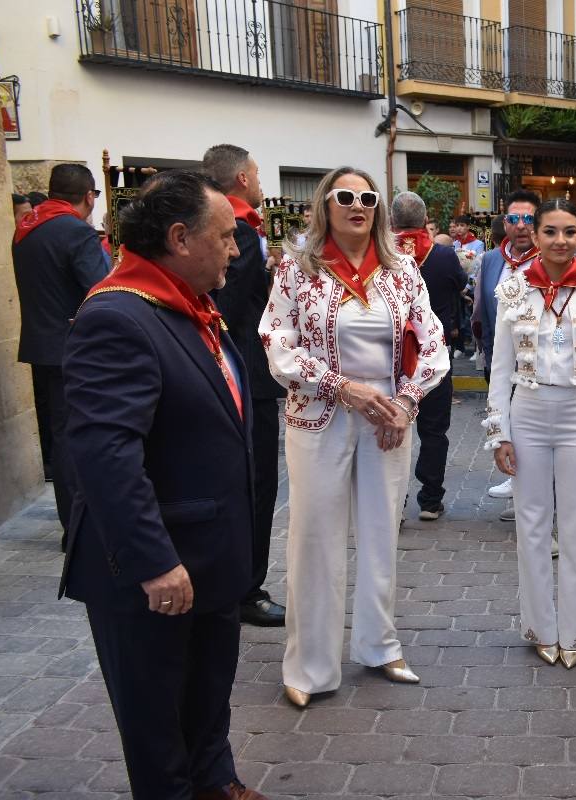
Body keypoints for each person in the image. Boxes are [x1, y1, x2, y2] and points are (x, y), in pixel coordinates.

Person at [61, 169, 268, 800]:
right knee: (157, 727)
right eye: (226, 237)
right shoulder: (117, 317)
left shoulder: (188, 308)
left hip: (208, 554)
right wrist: (154, 563)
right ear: (180, 238)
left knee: (207, 697)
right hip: (155, 569)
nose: (236, 250)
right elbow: (104, 454)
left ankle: (217, 782)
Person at [259, 167, 450, 707]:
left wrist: (405, 404)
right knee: (315, 537)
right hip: (320, 414)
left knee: (380, 531)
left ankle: (379, 644)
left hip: (389, 416)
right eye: (346, 196)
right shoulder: (298, 269)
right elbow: (277, 342)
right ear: (326, 205)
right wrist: (342, 387)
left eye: (368, 197)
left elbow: (432, 340)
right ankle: (310, 666)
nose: (358, 205)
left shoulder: (402, 269)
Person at [484, 199, 576, 669]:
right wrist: (499, 433)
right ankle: (540, 627)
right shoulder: (512, 291)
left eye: (569, 231)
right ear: (535, 236)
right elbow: (499, 369)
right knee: (532, 522)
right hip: (528, 410)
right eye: (550, 231)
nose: (560, 240)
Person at [201, 143, 287, 628]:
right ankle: (247, 589)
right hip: (246, 376)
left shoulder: (231, 226)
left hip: (239, 373)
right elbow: (227, 307)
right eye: (255, 175)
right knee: (255, 488)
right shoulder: (240, 227)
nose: (258, 183)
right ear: (240, 179)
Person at [12, 163, 111, 544]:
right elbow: (100, 288)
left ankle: (72, 521)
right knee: (78, 436)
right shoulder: (75, 231)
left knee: (62, 433)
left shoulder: (26, 229)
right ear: (88, 196)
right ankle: (80, 526)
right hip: (76, 347)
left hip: (43, 345)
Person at [391, 191, 466, 521]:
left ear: (392, 221)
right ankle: (430, 499)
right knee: (434, 430)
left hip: (393, 358)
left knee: (394, 426)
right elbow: (460, 285)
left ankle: (395, 500)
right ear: (425, 221)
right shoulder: (444, 254)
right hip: (435, 356)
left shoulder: (381, 254)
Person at [473, 189, 541, 514]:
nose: (521, 226)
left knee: (531, 432)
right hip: (499, 357)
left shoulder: (551, 259)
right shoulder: (491, 259)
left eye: (528, 219)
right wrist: (486, 351)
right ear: (505, 223)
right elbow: (483, 309)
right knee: (506, 423)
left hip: (537, 366)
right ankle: (516, 481)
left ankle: (534, 495)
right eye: (514, 219)